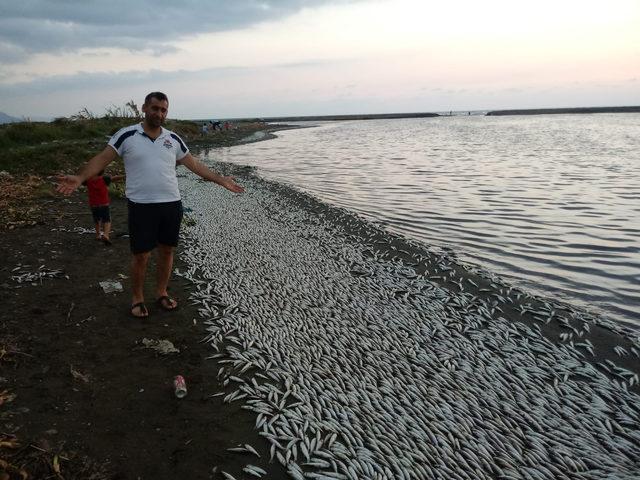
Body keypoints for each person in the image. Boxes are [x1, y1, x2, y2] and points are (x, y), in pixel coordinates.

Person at [57, 91, 244, 318]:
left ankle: (161, 292)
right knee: (141, 255)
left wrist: (221, 179)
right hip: (141, 206)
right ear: (144, 108)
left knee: (167, 251)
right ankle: (137, 298)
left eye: (163, 110)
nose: (159, 113)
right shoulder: (126, 135)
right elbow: (102, 159)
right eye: (155, 108)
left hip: (171, 204)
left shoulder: (173, 139)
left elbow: (194, 164)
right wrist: (80, 178)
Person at [83, 170, 124, 245]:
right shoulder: (104, 179)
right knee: (107, 220)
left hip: (93, 204)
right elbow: (114, 178)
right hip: (104, 204)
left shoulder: (88, 180)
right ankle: (106, 235)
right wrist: (124, 176)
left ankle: (98, 234)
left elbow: (81, 181)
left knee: (97, 219)